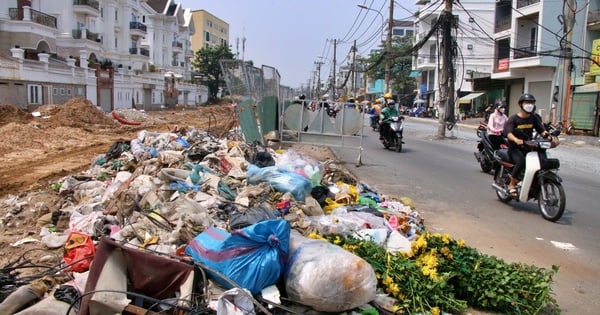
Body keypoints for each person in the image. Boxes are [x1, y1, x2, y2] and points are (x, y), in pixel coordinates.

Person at [503, 93, 557, 198]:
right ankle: (512, 184)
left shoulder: (533, 118)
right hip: (515, 148)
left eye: (532, 103)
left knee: (541, 160)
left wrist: (549, 137)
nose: (530, 105)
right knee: (521, 161)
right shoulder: (513, 119)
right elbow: (508, 133)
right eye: (527, 102)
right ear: (521, 104)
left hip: (528, 146)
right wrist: (516, 139)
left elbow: (542, 131)